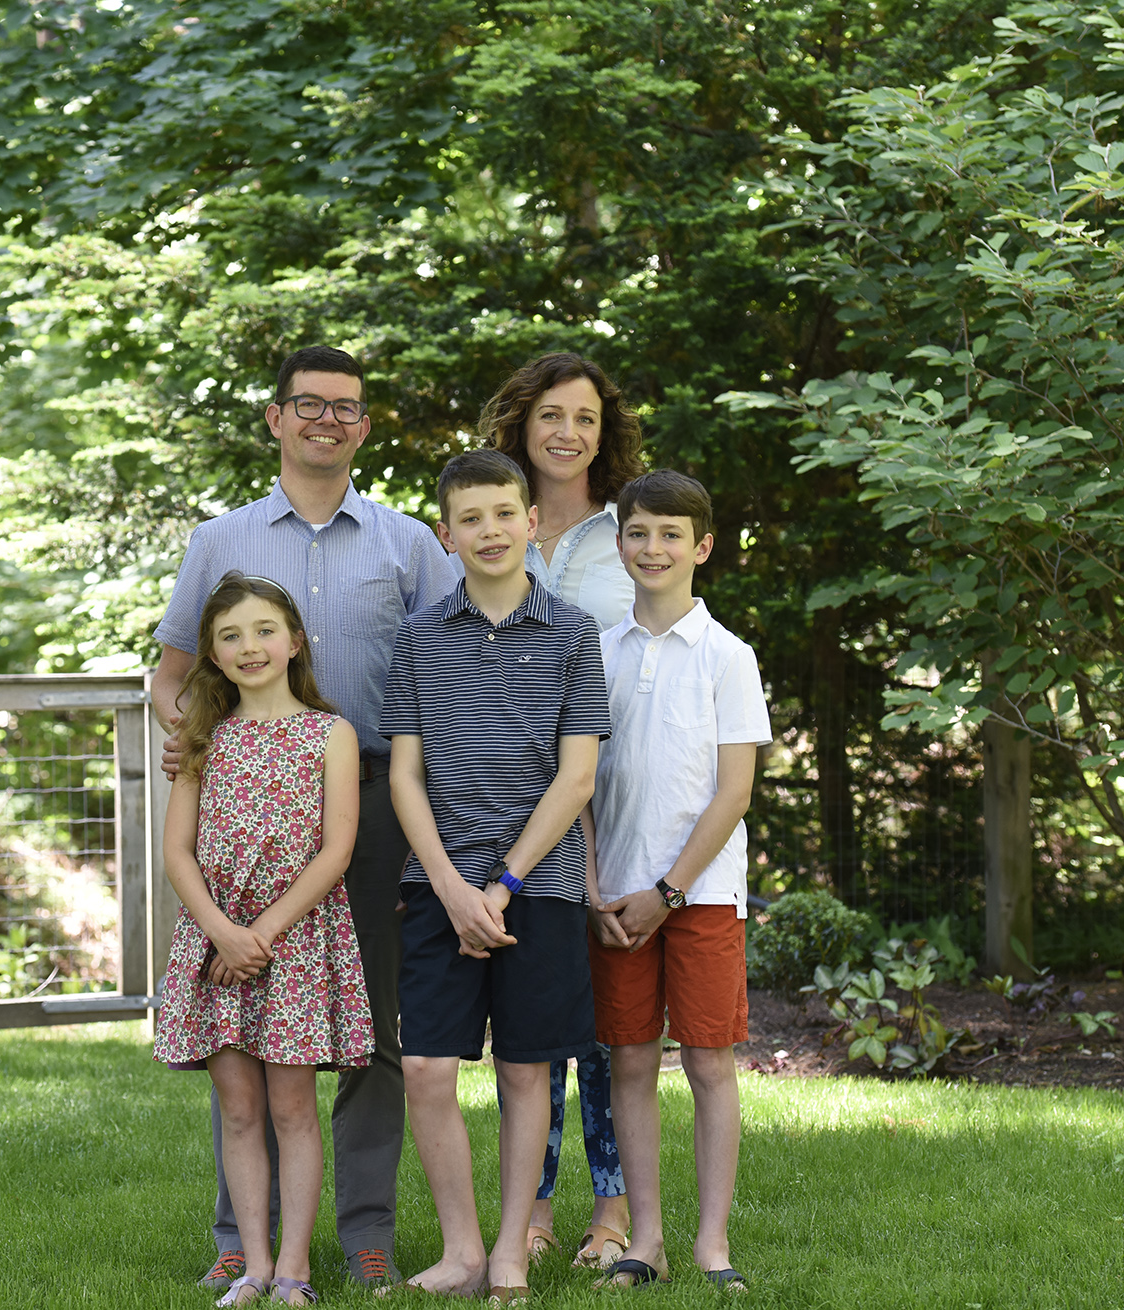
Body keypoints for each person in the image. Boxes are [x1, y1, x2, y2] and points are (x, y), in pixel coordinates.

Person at [152, 346, 456, 1291]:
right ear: (276, 418)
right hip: (239, 814)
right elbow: (168, 680)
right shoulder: (220, 540)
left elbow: (449, 674)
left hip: (367, 804)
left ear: (363, 427)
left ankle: (365, 1227)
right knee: (238, 1017)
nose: (327, 420)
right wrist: (196, 741)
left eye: (347, 409)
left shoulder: (408, 544)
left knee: (369, 1022)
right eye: (308, 405)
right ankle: (244, 1237)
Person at [379, 450, 609, 1301]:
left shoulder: (574, 633)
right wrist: (447, 884)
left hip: (537, 890)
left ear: (531, 523)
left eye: (502, 514)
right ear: (446, 535)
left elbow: (575, 777)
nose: (488, 531)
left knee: (525, 1070)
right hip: (437, 883)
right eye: (468, 519)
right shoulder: (416, 638)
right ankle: (463, 1251)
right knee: (427, 1069)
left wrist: (502, 886)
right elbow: (404, 773)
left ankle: (512, 1250)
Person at [153, 572, 373, 1307]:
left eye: (263, 630)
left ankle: (294, 1270)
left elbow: (335, 849)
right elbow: (177, 853)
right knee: (239, 1111)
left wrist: (261, 935)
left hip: (297, 943)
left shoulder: (330, 733)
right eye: (229, 636)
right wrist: (222, 932)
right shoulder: (202, 739)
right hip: (214, 943)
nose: (249, 647)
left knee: (291, 1108)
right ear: (211, 656)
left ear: (295, 642)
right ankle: (250, 1265)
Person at [480, 353, 643, 1271]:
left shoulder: (632, 530)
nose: (566, 433)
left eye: (583, 417)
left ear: (601, 429)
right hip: (511, 808)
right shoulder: (491, 523)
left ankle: (612, 1210)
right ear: (523, 423)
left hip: (612, 797)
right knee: (534, 1025)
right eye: (550, 415)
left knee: (607, 1020)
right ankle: (532, 1209)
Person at [589, 470, 771, 1294]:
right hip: (615, 900)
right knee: (628, 1062)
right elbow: (579, 783)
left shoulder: (728, 657)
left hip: (697, 899)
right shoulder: (595, 652)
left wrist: (666, 892)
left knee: (706, 1064)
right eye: (637, 533)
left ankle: (711, 1245)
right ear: (618, 542)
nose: (651, 548)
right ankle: (646, 1241)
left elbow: (733, 792)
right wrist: (595, 885)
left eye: (669, 535)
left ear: (700, 547)